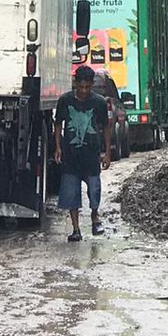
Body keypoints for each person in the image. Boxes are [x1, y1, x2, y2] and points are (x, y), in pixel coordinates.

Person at [55, 66, 112, 241]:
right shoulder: (65, 100)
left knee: (94, 189)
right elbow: (58, 124)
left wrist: (107, 152)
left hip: (91, 155)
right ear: (76, 84)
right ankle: (76, 229)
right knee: (71, 193)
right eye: (81, 87)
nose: (84, 91)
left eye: (87, 87)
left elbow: (106, 128)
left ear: (92, 85)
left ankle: (95, 215)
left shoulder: (99, 102)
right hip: (71, 155)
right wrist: (58, 147)